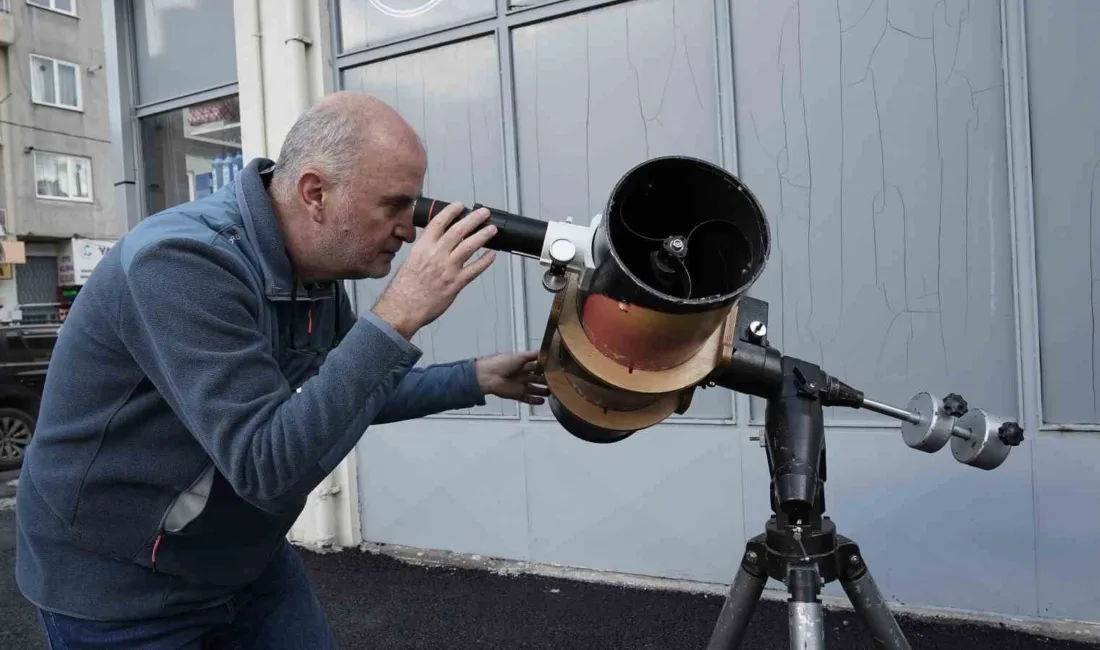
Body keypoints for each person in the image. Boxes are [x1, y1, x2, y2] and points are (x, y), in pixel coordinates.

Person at [14, 91, 549, 648]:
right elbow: (265, 467)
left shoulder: (314, 275)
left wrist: (477, 377)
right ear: (314, 192)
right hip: (120, 585)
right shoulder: (181, 263)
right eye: (393, 206)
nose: (409, 231)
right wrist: (400, 313)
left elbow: (347, 391)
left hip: (241, 558)